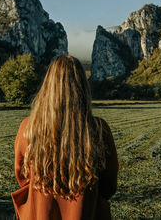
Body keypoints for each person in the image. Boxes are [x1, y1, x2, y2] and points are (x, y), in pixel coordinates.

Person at [12, 55, 118, 220]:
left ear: (48, 86)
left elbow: (22, 177)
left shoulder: (29, 128)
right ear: (82, 86)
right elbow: (108, 187)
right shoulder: (98, 129)